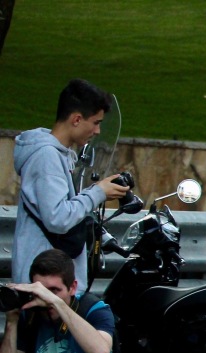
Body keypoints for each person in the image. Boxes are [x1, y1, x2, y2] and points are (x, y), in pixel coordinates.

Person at [12, 78, 131, 293]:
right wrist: (97, 193)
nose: (97, 131)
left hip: (52, 281)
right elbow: (58, 217)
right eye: (96, 122)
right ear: (76, 119)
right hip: (44, 283)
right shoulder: (46, 156)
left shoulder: (62, 154)